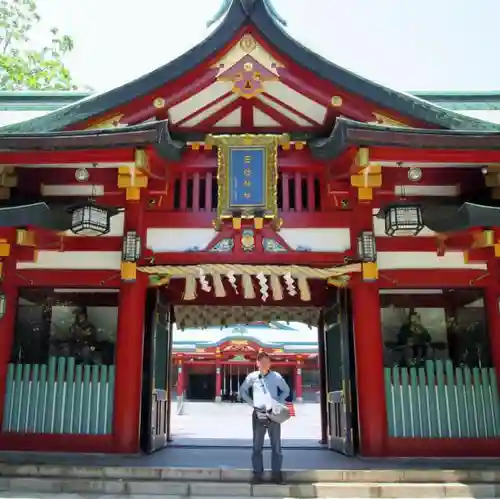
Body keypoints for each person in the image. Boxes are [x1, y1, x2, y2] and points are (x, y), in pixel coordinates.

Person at [239, 352, 290, 485]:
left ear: (270, 363)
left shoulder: (276, 377)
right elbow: (243, 390)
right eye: (261, 362)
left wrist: (279, 402)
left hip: (273, 412)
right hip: (259, 412)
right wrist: (251, 403)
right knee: (257, 446)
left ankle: (277, 475)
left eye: (267, 361)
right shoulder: (252, 377)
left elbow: (286, 390)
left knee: (276, 446)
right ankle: (257, 474)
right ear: (257, 363)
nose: (264, 364)